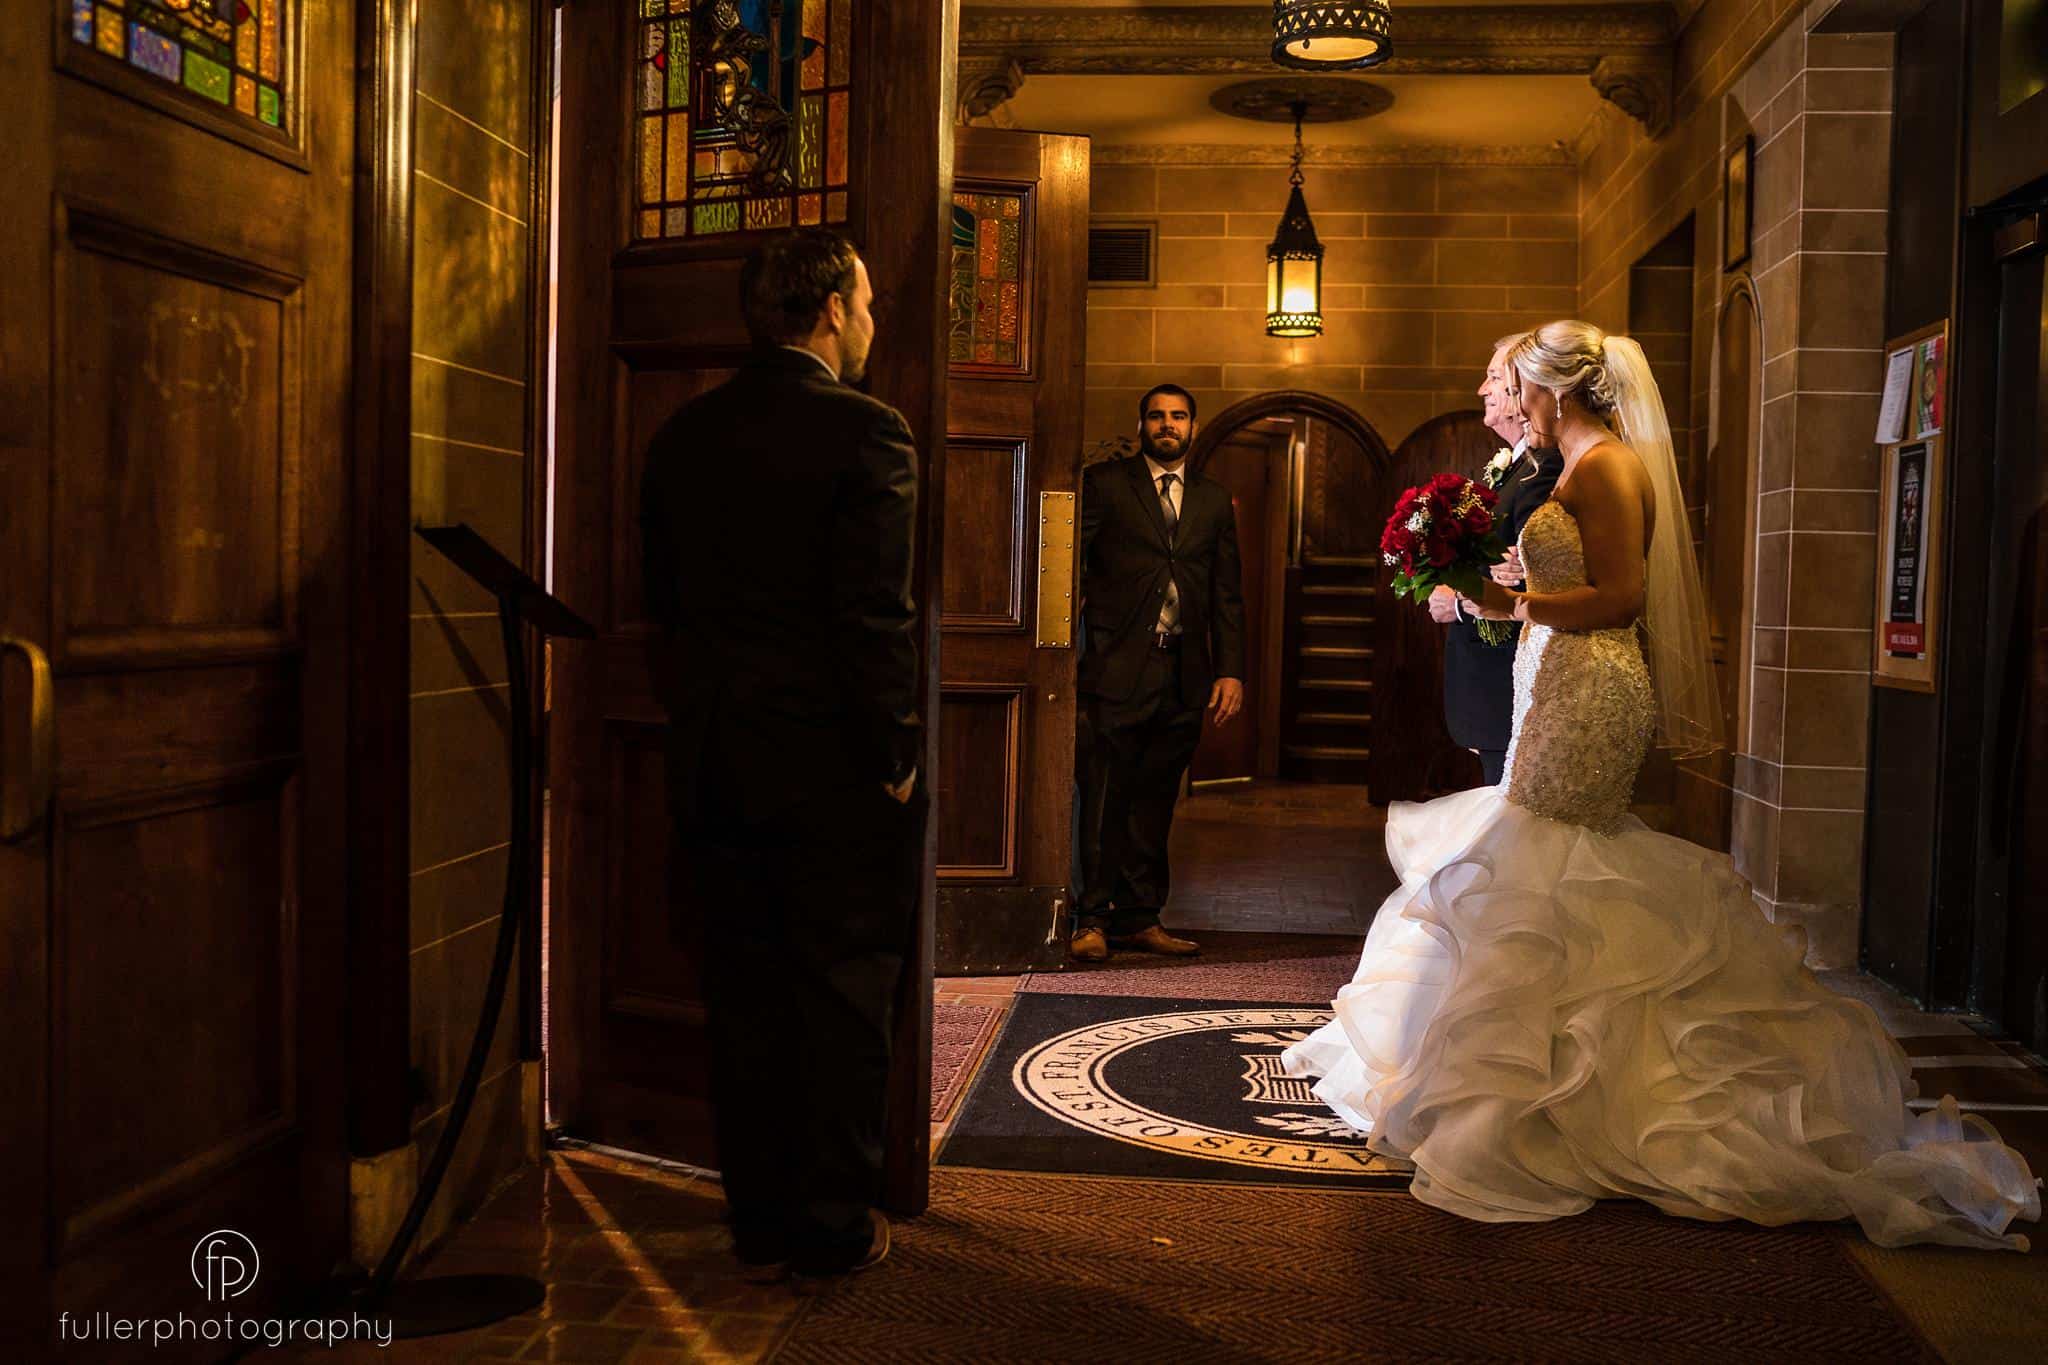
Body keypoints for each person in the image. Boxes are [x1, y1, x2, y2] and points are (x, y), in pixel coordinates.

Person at [1283, 320, 2039, 1251]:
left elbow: (1624, 597)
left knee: (1546, 856)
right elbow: (1576, 577)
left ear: (1558, 389)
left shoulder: (1606, 467)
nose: (1515, 402)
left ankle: (1563, 1099)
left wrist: (1512, 601)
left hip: (1591, 686)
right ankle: (1554, 1080)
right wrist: (1507, 592)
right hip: (1553, 672)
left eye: (1522, 385)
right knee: (1548, 866)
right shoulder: (1574, 461)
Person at [639, 228, 923, 1281]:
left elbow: (661, 606)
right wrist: (895, 755)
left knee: (743, 995)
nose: (872, 319)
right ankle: (831, 1226)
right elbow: (872, 618)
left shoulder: (683, 434)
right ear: (832, 311)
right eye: (867, 300)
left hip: (716, 759)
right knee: (845, 997)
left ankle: (756, 1215)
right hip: (833, 769)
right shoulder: (866, 434)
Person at [1070, 383, 1247, 962]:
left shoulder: (1214, 499)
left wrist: (1231, 671)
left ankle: (1140, 918)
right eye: (1156, 416)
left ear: (1193, 425)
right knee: (1103, 798)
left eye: (1177, 416)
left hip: (1184, 670)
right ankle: (1090, 918)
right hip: (1117, 666)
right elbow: (1073, 571)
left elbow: (1227, 594)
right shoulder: (1105, 485)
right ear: (1141, 423)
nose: (1167, 425)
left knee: (1154, 801)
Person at [1428, 335, 1564, 787]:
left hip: (1504, 676)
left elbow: (1537, 574)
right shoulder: (1511, 466)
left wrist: (1462, 597)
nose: (1482, 391)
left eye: (1491, 379)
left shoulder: (1545, 470)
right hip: (1485, 680)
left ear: (1519, 389)